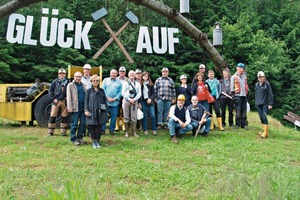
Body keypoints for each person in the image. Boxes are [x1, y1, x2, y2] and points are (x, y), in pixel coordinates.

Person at [85, 75, 108, 148]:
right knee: (92, 127)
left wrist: (105, 110)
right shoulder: (88, 91)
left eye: (97, 81)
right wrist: (86, 110)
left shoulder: (102, 91)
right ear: (91, 81)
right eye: (94, 81)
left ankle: (98, 140)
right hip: (91, 111)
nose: (95, 82)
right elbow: (86, 101)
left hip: (100, 111)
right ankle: (94, 141)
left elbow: (105, 101)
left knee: (99, 127)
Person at [66, 71, 87, 146]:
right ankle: (73, 138)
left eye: (80, 77)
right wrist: (69, 107)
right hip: (75, 108)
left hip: (83, 108)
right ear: (74, 77)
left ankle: (79, 137)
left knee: (83, 124)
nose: (78, 78)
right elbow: (68, 97)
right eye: (77, 76)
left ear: (81, 77)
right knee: (74, 124)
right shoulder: (70, 85)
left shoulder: (84, 85)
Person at [47, 68, 69, 136]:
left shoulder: (68, 82)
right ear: (58, 74)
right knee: (53, 115)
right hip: (56, 101)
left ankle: (63, 131)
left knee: (64, 116)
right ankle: (50, 131)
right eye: (60, 74)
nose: (61, 75)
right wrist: (53, 99)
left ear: (65, 74)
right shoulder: (54, 82)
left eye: (63, 74)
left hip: (64, 101)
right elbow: (50, 91)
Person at [102, 69, 123, 135]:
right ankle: (103, 129)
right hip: (106, 101)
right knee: (104, 116)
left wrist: (115, 98)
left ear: (116, 74)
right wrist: (107, 97)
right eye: (112, 73)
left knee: (114, 117)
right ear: (110, 73)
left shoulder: (119, 82)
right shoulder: (105, 80)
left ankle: (112, 130)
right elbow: (102, 89)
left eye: (114, 73)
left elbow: (120, 92)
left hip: (115, 102)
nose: (113, 74)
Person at [122, 70, 142, 138]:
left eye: (133, 74)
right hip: (127, 101)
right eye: (130, 74)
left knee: (134, 117)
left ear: (135, 75)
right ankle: (126, 132)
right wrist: (129, 99)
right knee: (126, 116)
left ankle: (134, 132)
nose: (132, 75)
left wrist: (134, 99)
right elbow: (123, 93)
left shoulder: (138, 84)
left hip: (134, 101)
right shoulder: (125, 83)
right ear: (128, 75)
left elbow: (139, 93)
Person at [255, 71, 273, 138]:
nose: (260, 78)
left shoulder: (267, 84)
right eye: (259, 77)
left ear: (264, 77)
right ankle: (263, 131)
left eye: (261, 77)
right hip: (258, 104)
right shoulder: (256, 84)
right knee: (261, 117)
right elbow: (256, 94)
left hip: (265, 104)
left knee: (264, 116)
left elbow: (270, 94)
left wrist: (270, 103)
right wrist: (256, 102)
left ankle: (266, 133)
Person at [231, 63, 249, 130]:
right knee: (238, 110)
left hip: (244, 95)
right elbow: (232, 87)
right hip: (237, 95)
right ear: (238, 68)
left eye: (243, 68)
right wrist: (233, 96)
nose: (243, 69)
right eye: (242, 68)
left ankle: (244, 124)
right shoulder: (234, 77)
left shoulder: (244, 77)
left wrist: (247, 94)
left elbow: (246, 85)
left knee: (244, 110)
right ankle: (237, 124)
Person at [115, 66, 128, 132]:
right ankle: (117, 125)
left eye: (123, 71)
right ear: (118, 72)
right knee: (117, 110)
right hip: (117, 96)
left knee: (123, 111)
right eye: (120, 71)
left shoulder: (127, 79)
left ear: (125, 72)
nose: (122, 72)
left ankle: (123, 125)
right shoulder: (116, 79)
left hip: (124, 97)